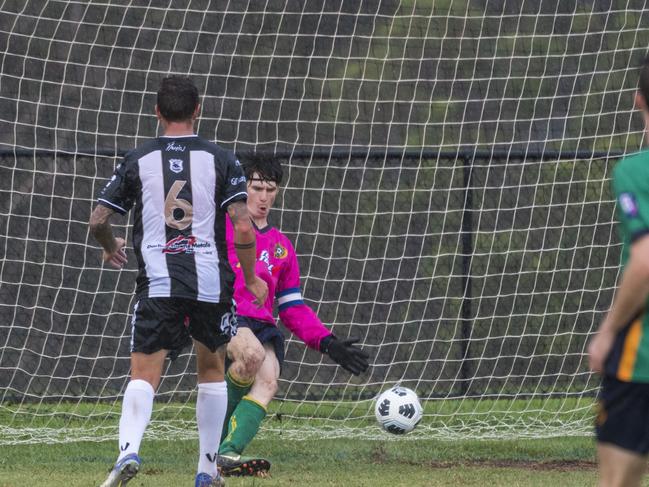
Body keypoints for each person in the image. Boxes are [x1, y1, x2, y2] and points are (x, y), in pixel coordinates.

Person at [89, 76, 267, 487]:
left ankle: (129, 451)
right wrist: (253, 277)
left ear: (157, 112)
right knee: (211, 370)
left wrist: (109, 243)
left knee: (144, 375)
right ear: (198, 110)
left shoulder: (138, 158)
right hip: (209, 284)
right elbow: (243, 226)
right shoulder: (222, 159)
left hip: (158, 283)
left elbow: (98, 218)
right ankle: (205, 474)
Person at [216, 154, 370, 477]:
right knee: (253, 356)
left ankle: (227, 453)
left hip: (263, 325)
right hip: (226, 314)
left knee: (269, 380)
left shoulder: (282, 247)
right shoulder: (224, 229)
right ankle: (215, 445)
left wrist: (329, 344)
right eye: (256, 187)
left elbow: (291, 308)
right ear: (242, 188)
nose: (263, 196)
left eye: (270, 189)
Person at [588, 56, 649, 487]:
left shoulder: (635, 170)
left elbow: (646, 260)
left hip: (641, 362)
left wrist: (609, 331)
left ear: (638, 100)